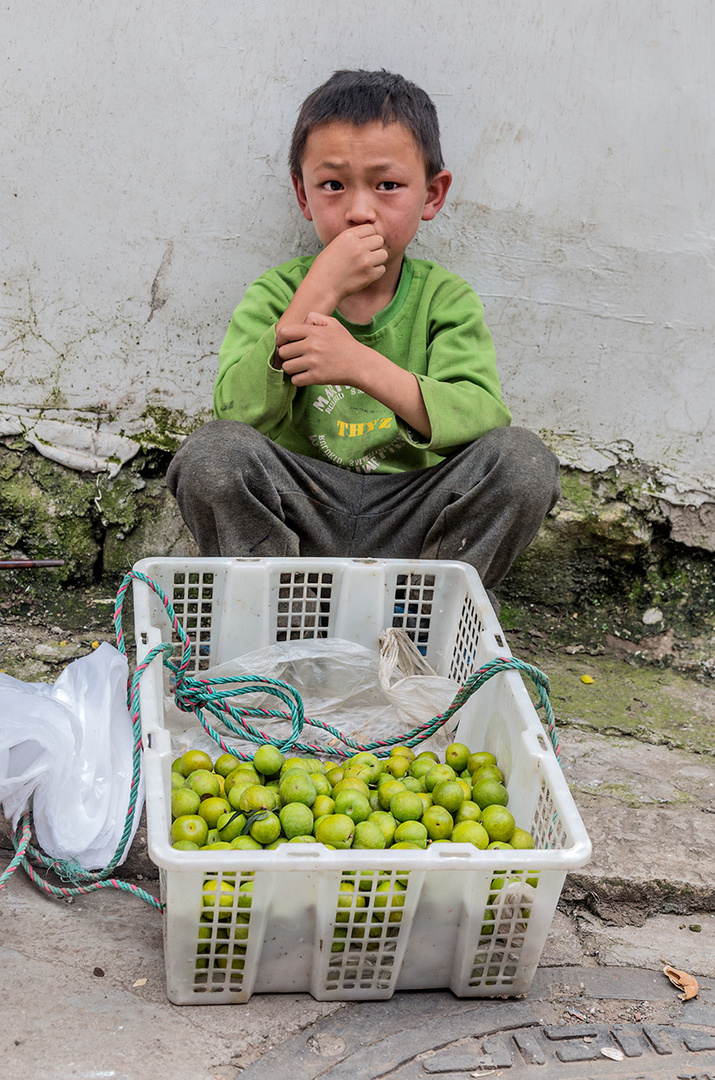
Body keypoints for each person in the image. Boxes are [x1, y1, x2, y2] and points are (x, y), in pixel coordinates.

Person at [167, 69, 560, 597]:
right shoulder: (276, 293)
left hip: (411, 519)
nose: (358, 210)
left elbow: (480, 417)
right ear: (303, 195)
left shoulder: (445, 299)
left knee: (524, 462)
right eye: (332, 185)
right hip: (302, 510)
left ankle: (423, 621)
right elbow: (237, 414)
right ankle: (273, 622)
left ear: (432, 194)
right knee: (212, 456)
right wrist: (317, 292)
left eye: (388, 185)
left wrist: (359, 365)